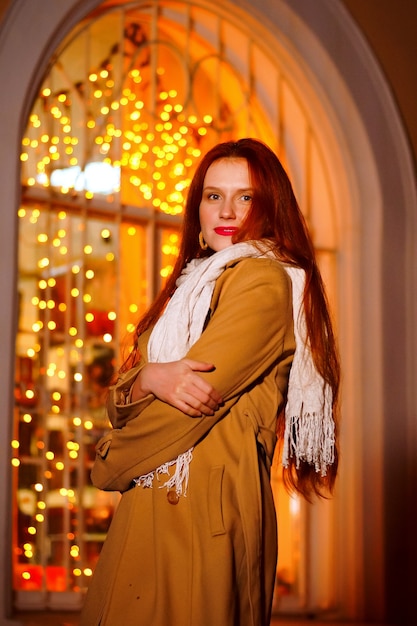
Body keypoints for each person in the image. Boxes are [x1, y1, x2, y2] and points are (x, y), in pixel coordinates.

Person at [80, 138, 340, 626]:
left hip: (204, 508)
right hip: (153, 496)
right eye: (213, 195)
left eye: (245, 197)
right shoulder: (189, 285)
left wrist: (108, 462)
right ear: (197, 205)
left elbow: (194, 401)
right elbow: (127, 391)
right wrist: (150, 378)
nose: (227, 210)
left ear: (270, 206)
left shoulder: (263, 280)